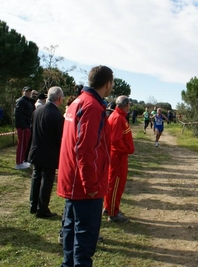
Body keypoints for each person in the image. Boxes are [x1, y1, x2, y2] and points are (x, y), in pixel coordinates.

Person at [57, 65, 113, 267]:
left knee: (71, 237)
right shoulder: (93, 107)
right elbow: (85, 149)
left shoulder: (77, 102)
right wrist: (91, 185)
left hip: (73, 181)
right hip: (85, 186)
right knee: (84, 242)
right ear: (108, 84)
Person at [28, 86, 64, 218]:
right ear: (59, 99)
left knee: (36, 176)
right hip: (49, 153)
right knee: (47, 180)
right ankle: (42, 209)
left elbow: (32, 129)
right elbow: (59, 137)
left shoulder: (37, 110)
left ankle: (33, 205)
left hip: (36, 149)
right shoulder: (57, 115)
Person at [103, 95, 135, 223]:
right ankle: (113, 212)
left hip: (119, 156)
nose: (130, 107)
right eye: (129, 104)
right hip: (117, 157)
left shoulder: (120, 116)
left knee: (115, 184)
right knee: (115, 184)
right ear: (126, 105)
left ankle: (109, 207)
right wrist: (127, 149)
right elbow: (115, 140)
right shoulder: (117, 118)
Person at [14, 86, 35, 170]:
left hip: (27, 125)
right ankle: (18, 162)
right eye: (26, 91)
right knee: (21, 144)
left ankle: (22, 160)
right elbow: (18, 114)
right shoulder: (21, 101)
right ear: (23, 92)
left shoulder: (29, 101)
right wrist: (23, 126)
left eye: (29, 91)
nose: (28, 93)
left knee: (25, 144)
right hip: (23, 126)